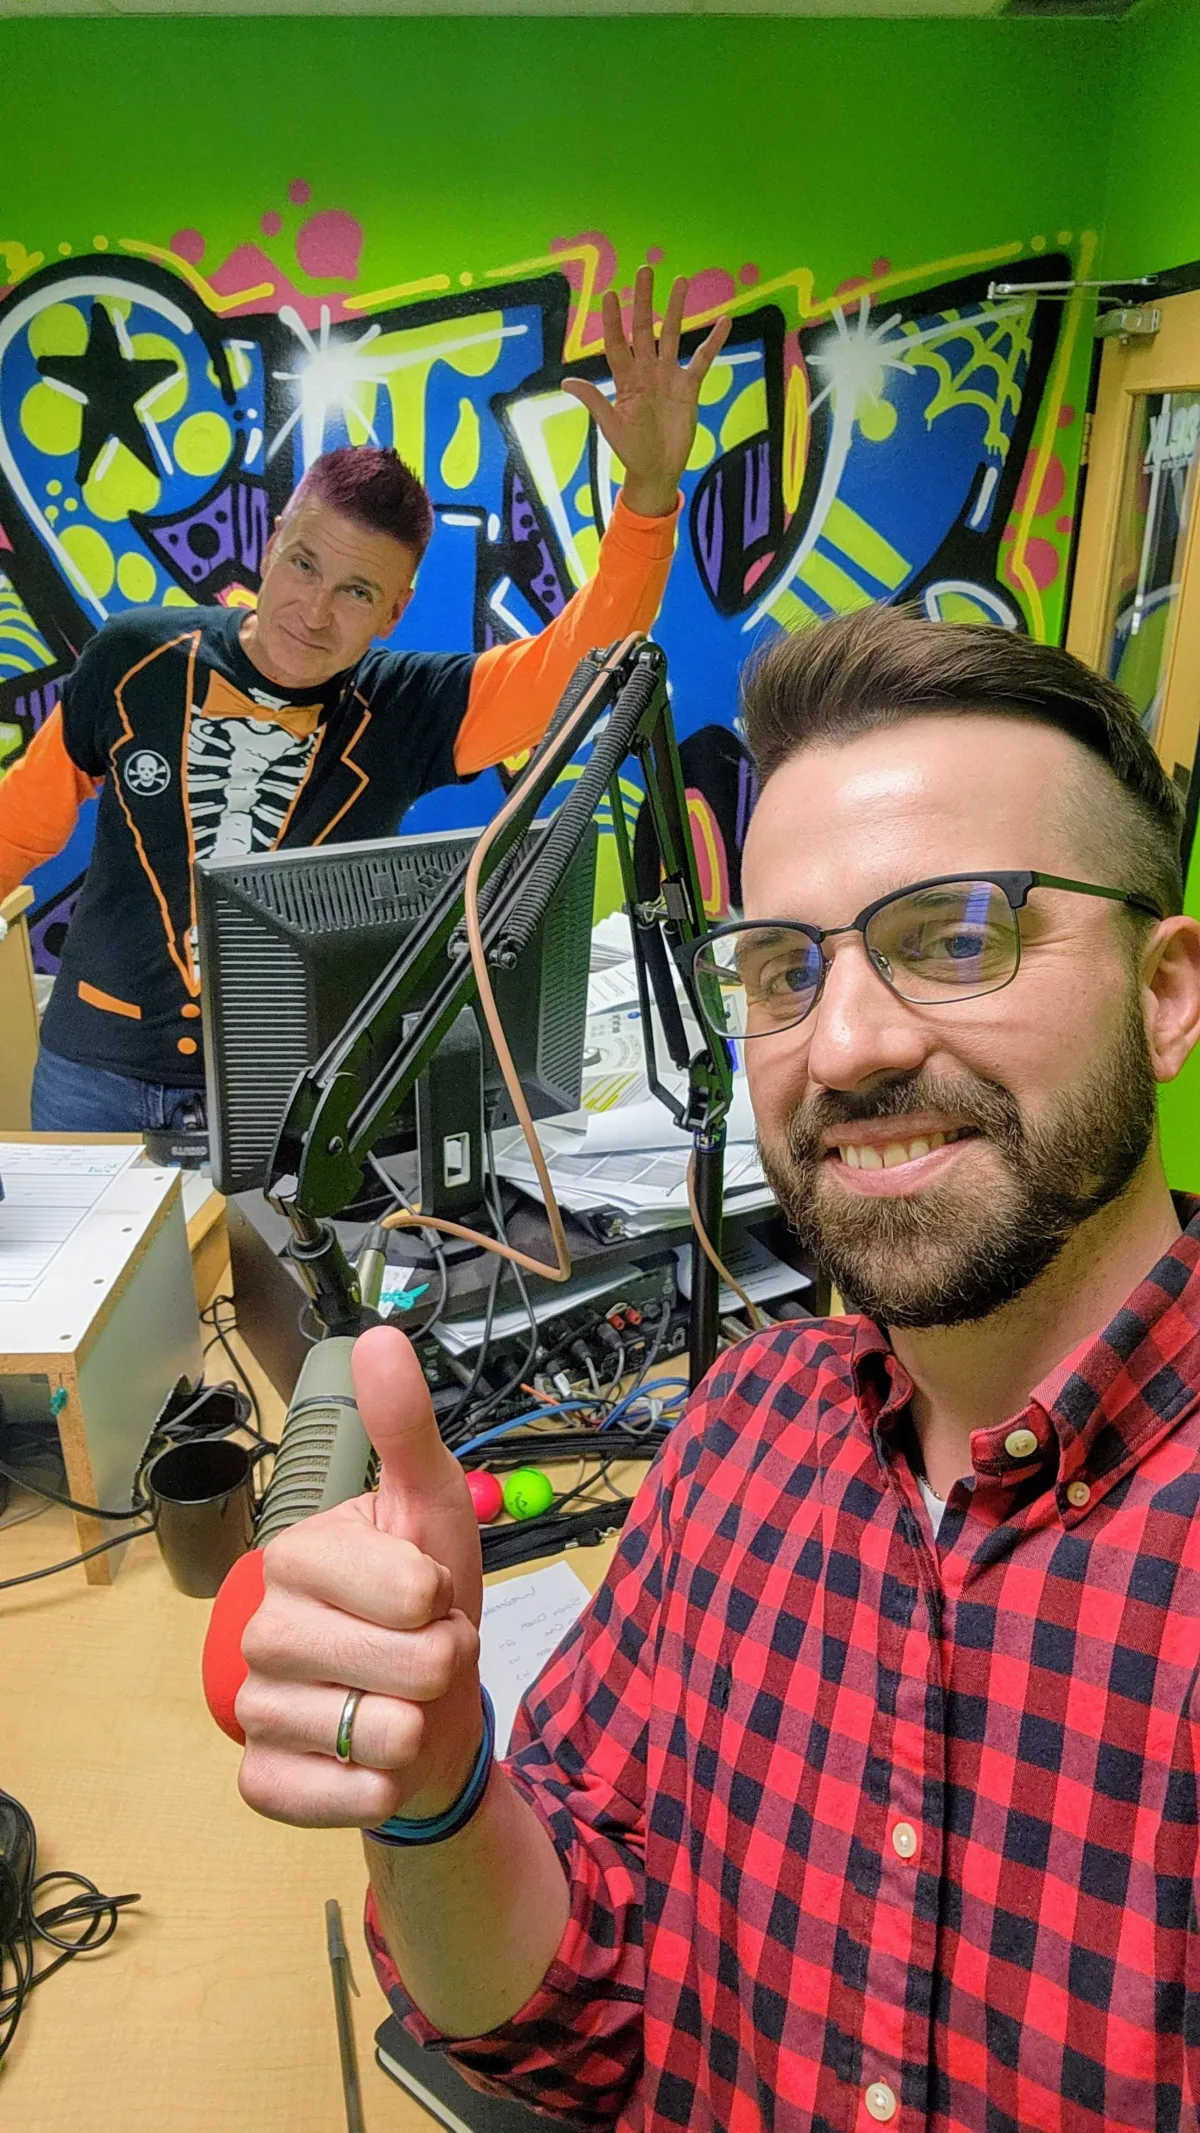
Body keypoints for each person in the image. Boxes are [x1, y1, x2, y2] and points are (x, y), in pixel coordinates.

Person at [217, 604, 1200, 2131]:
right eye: (785, 967)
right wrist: (443, 1793)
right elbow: (569, 2014)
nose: (850, 1041)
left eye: (957, 935)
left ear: (1166, 993)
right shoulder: (744, 1430)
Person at [0, 269, 727, 1133]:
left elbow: (581, 658)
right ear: (272, 546)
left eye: (355, 590)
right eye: (305, 563)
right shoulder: (134, 658)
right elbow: (17, 829)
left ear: (395, 609)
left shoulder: (406, 707)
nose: (313, 610)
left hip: (288, 1093)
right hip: (93, 1076)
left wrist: (647, 501)